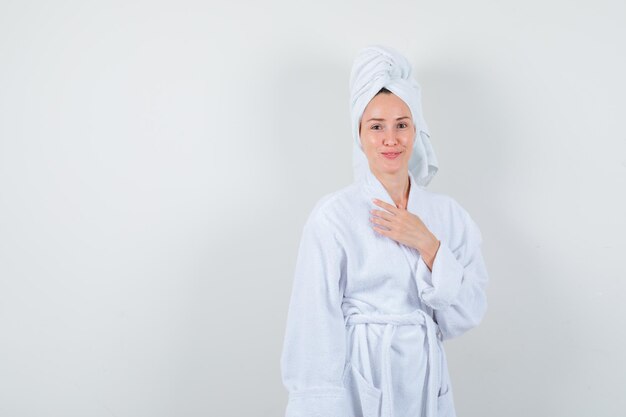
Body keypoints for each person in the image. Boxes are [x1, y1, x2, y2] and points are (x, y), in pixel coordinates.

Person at [280, 45, 489, 417]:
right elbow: (312, 324)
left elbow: (467, 313)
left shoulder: (449, 216)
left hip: (426, 376)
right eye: (376, 127)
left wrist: (428, 244)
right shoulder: (333, 216)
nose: (390, 139)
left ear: (416, 131)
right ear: (359, 135)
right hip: (360, 376)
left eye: (402, 125)